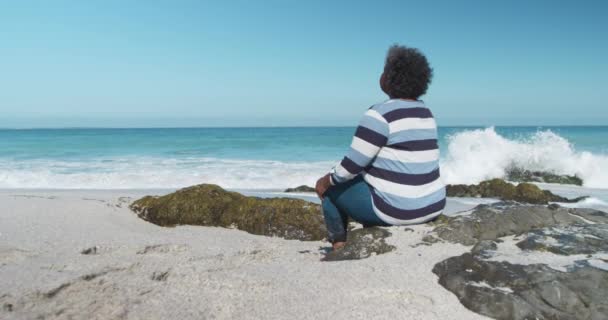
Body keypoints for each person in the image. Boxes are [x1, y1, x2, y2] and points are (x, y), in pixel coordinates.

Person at [315, 45, 445, 251]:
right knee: (366, 178)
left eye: (385, 70)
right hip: (433, 205)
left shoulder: (379, 114)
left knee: (330, 186)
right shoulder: (426, 113)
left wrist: (326, 180)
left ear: (390, 78)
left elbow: (351, 166)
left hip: (399, 211)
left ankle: (339, 244)